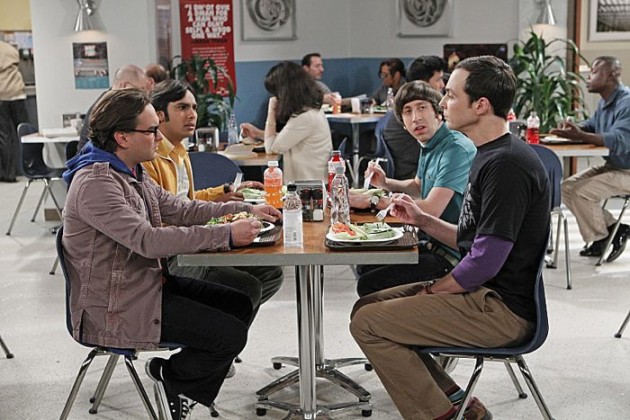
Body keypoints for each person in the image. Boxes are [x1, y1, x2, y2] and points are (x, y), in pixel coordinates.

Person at [350, 56, 551, 420]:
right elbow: (473, 238)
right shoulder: (489, 154)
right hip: (484, 294)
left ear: (481, 105)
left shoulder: (507, 165)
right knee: (365, 308)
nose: (442, 103)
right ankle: (458, 404)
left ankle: (440, 415)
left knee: (369, 324)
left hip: (502, 310)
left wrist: (432, 291)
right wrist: (423, 220)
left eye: (451, 96)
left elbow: (484, 260)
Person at [62, 88, 282, 420]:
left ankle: (178, 381)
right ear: (122, 137)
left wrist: (245, 208)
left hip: (142, 287)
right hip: (114, 308)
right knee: (229, 335)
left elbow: (181, 209)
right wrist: (225, 235)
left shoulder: (131, 171)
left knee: (239, 303)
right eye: (151, 130)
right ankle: (174, 379)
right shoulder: (96, 184)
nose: (158, 136)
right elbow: (147, 240)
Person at [142, 79, 284, 316]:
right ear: (159, 115)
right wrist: (220, 230)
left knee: (271, 274)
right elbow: (165, 217)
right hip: (173, 254)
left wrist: (223, 192)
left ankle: (221, 331)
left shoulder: (180, 151)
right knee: (246, 287)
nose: (192, 115)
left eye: (194, 108)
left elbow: (185, 202)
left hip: (194, 238)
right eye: (182, 107)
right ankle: (216, 333)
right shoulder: (150, 158)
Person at [350, 80, 476, 296]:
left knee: (368, 284)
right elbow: (418, 185)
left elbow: (431, 209)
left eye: (422, 107)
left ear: (438, 113)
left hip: (455, 255)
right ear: (403, 123)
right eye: (408, 111)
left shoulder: (455, 149)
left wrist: (374, 200)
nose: (416, 117)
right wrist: (385, 183)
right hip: (431, 242)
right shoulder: (430, 143)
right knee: (365, 266)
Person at [550, 56, 630, 262]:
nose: (588, 77)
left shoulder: (627, 102)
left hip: (627, 171)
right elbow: (592, 126)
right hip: (615, 166)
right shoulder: (606, 102)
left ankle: (602, 238)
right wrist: (574, 128)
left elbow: (619, 139)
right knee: (566, 188)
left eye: (594, 72)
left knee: (581, 192)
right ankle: (614, 228)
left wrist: (581, 135)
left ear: (611, 75)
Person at [240, 61, 333, 182]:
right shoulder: (311, 111)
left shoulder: (304, 117)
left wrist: (271, 111)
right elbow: (287, 138)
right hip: (313, 181)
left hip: (307, 186)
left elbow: (271, 148)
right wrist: (257, 133)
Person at [383, 55, 449, 180]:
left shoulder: (404, 103)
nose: (442, 85)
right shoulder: (419, 114)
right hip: (412, 176)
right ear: (421, 84)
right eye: (438, 79)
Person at [78, 64, 152, 150]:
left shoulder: (109, 101)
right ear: (125, 86)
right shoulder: (108, 107)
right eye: (140, 90)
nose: (142, 95)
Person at [0, 40, 29, 182]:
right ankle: (30, 167)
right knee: (25, 134)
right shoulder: (10, 48)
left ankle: (9, 174)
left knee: (5, 137)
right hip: (17, 93)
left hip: (2, 96)